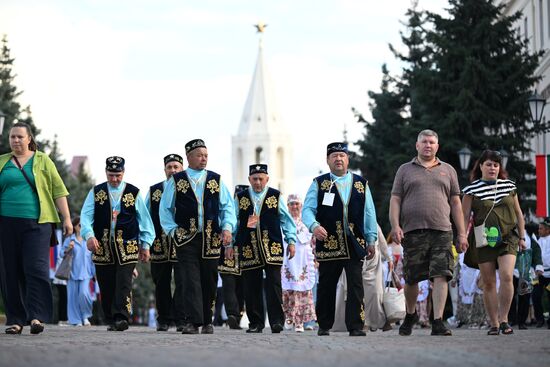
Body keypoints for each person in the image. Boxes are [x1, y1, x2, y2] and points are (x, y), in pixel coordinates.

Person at [389, 129, 467, 336]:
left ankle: (438, 321)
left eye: (432, 142)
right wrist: (395, 225)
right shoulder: (405, 170)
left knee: (441, 274)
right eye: (424, 142)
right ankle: (410, 313)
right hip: (413, 232)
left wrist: (462, 233)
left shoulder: (448, 170)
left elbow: (456, 203)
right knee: (412, 278)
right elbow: (395, 199)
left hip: (442, 231)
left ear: (437, 146)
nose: (428, 145)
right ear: (417, 145)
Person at [0, 122, 73, 335]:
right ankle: (15, 320)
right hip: (6, 223)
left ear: (29, 139)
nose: (15, 140)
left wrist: (67, 219)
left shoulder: (42, 160)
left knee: (36, 268)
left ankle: (36, 317)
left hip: (38, 223)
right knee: (9, 271)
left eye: (20, 137)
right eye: (12, 137)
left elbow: (59, 190)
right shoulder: (2, 162)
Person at [159, 139, 236, 334]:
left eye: (206, 156)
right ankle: (193, 322)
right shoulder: (177, 181)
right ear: (189, 157)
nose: (204, 159)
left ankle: (208, 321)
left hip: (211, 238)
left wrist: (227, 228)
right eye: (200, 155)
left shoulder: (215, 180)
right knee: (189, 279)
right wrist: (173, 231)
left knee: (209, 279)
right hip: (186, 238)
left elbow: (227, 207)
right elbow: (165, 210)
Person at [302, 142, 377, 337]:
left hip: (354, 242)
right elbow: (308, 210)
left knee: (355, 285)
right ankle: (324, 324)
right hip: (329, 242)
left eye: (341, 155)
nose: (338, 159)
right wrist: (314, 226)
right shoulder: (319, 183)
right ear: (327, 160)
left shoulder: (361, 184)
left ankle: (355, 326)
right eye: (334, 156)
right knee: (327, 284)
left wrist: (371, 239)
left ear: (347, 159)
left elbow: (369, 213)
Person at [81, 156, 155, 331]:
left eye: (118, 175)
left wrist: (145, 245)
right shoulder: (96, 192)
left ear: (123, 172)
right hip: (102, 246)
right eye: (111, 175)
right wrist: (89, 235)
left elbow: (145, 221)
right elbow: (85, 216)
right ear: (106, 173)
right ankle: (110, 318)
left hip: (127, 246)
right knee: (106, 283)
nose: (114, 179)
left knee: (123, 282)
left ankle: (122, 317)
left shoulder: (133, 192)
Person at [461, 149, 526, 335]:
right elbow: (465, 215)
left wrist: (521, 237)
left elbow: (519, 213)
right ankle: (494, 323)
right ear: (480, 166)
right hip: (483, 236)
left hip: (508, 236)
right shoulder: (470, 190)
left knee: (506, 275)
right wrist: (462, 236)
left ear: (500, 167)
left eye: (496, 165)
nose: (492, 168)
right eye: (488, 164)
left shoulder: (509, 186)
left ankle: (504, 319)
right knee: (489, 282)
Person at [234, 164, 296, 333]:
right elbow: (234, 222)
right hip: (248, 247)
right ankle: (256, 322)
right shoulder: (241, 197)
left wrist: (291, 241)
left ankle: (277, 321)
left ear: (267, 179)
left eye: (261, 178)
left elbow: (286, 220)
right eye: (254, 179)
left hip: (272, 246)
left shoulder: (275, 196)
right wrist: (231, 244)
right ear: (249, 180)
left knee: (274, 285)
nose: (258, 182)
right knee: (251, 286)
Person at [146, 153, 186, 332]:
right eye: (169, 167)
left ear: (182, 169)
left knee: (182, 281)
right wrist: (144, 242)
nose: (172, 170)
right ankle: (163, 318)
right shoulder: (154, 191)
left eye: (176, 167)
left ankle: (180, 318)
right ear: (164, 170)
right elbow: (145, 217)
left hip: (182, 243)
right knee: (161, 282)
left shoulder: (187, 188)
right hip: (159, 244)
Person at [281, 194, 316, 333]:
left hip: (303, 260)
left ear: (301, 206)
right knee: (288, 290)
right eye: (291, 204)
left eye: (297, 204)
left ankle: (300, 321)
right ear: (287, 207)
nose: (294, 206)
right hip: (287, 260)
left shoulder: (307, 223)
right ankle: (289, 317)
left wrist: (316, 259)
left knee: (302, 290)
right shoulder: (283, 221)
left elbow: (313, 242)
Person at [218, 184, 248, 330]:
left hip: (244, 253)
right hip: (228, 251)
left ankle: (236, 315)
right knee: (230, 286)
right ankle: (233, 314)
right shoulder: (226, 211)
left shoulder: (251, 212)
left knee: (240, 287)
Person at [62, 216, 95, 326]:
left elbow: (93, 259)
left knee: (84, 294)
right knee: (72, 297)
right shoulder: (69, 240)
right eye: (80, 225)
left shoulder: (88, 240)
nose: (81, 227)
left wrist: (95, 273)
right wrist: (68, 249)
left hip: (86, 273)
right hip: (71, 273)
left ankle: (85, 316)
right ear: (75, 227)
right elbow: (61, 254)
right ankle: (75, 320)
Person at [509, 228, 542, 329]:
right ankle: (511, 319)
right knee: (510, 296)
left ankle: (521, 321)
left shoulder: (530, 237)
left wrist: (538, 265)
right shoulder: (509, 233)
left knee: (525, 298)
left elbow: (536, 252)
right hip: (512, 271)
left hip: (526, 272)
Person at [533, 218, 550, 328]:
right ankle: (539, 319)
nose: (539, 230)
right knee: (535, 296)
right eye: (538, 229)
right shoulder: (537, 241)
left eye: (541, 229)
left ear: (548, 230)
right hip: (539, 274)